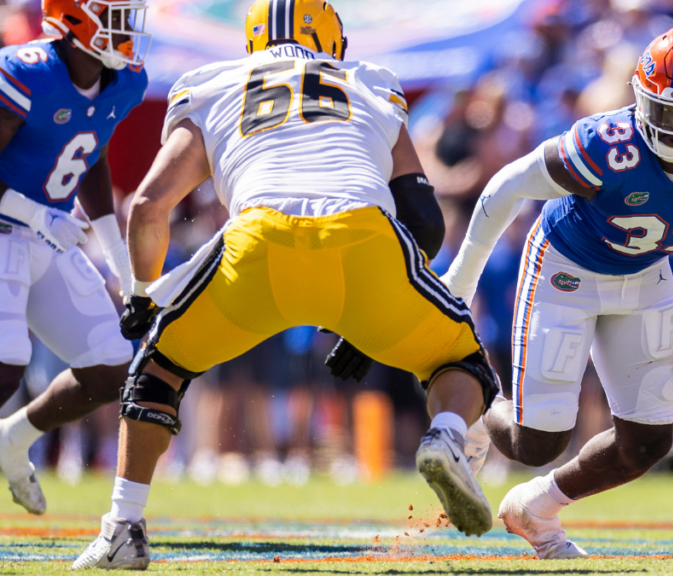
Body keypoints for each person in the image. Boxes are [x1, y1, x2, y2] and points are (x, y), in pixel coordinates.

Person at [72, 0, 500, 569]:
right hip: (362, 239)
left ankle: (122, 529)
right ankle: (447, 434)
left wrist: (142, 294)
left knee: (157, 372)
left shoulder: (214, 82)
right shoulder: (369, 82)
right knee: (463, 362)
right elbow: (423, 218)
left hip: (258, 245)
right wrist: (370, 323)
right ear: (329, 39)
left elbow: (149, 204)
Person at [440, 27, 673, 558]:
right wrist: (462, 275)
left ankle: (536, 508)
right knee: (537, 442)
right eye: (662, 110)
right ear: (639, 97)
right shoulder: (605, 144)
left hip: (645, 274)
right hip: (566, 268)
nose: (672, 125)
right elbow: (509, 184)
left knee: (647, 441)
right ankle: (480, 401)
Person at [0, 0, 148, 515]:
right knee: (5, 365)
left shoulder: (123, 81)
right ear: (74, 17)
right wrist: (37, 215)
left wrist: (124, 271)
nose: (127, 28)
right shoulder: (25, 71)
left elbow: (92, 158)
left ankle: (12, 440)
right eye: (116, 15)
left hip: (47, 236)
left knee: (110, 368)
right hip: (4, 230)